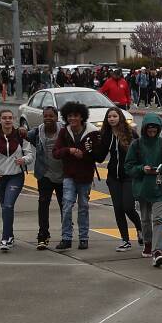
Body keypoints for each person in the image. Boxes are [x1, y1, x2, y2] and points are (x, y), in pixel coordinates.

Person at [124, 112, 162, 266]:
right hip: (142, 187)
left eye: (155, 129)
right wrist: (141, 169)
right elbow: (128, 166)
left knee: (158, 219)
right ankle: (148, 243)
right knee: (145, 219)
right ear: (144, 128)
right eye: (149, 129)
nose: (152, 132)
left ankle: (158, 250)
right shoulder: (136, 145)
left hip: (159, 186)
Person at [0, 109, 34, 251]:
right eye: (4, 118)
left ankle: (5, 239)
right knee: (5, 207)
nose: (7, 120)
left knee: (8, 205)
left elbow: (30, 155)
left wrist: (23, 160)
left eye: (10, 118)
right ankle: (10, 235)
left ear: (14, 120)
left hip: (16, 177)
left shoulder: (20, 136)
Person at [53, 101, 101, 250]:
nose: (72, 119)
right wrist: (69, 150)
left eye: (76, 116)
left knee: (83, 207)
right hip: (69, 175)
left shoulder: (92, 132)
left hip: (85, 175)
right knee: (66, 205)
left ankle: (83, 238)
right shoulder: (64, 131)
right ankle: (66, 237)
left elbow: (98, 155)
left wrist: (84, 155)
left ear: (82, 117)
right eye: (69, 116)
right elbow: (56, 152)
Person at [94, 107, 143, 252]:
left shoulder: (130, 134)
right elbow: (100, 157)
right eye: (109, 117)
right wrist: (92, 149)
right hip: (113, 177)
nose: (112, 119)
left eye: (115, 116)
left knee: (128, 206)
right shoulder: (105, 135)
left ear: (120, 117)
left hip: (128, 176)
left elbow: (139, 153)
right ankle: (125, 240)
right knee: (118, 209)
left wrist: (138, 171)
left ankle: (140, 229)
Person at [26, 106, 65, 250]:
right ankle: (43, 236)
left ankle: (66, 234)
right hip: (45, 174)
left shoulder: (65, 131)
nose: (48, 118)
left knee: (65, 205)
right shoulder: (36, 132)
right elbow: (22, 137)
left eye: (51, 116)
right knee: (43, 204)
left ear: (57, 117)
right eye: (45, 116)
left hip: (63, 174)